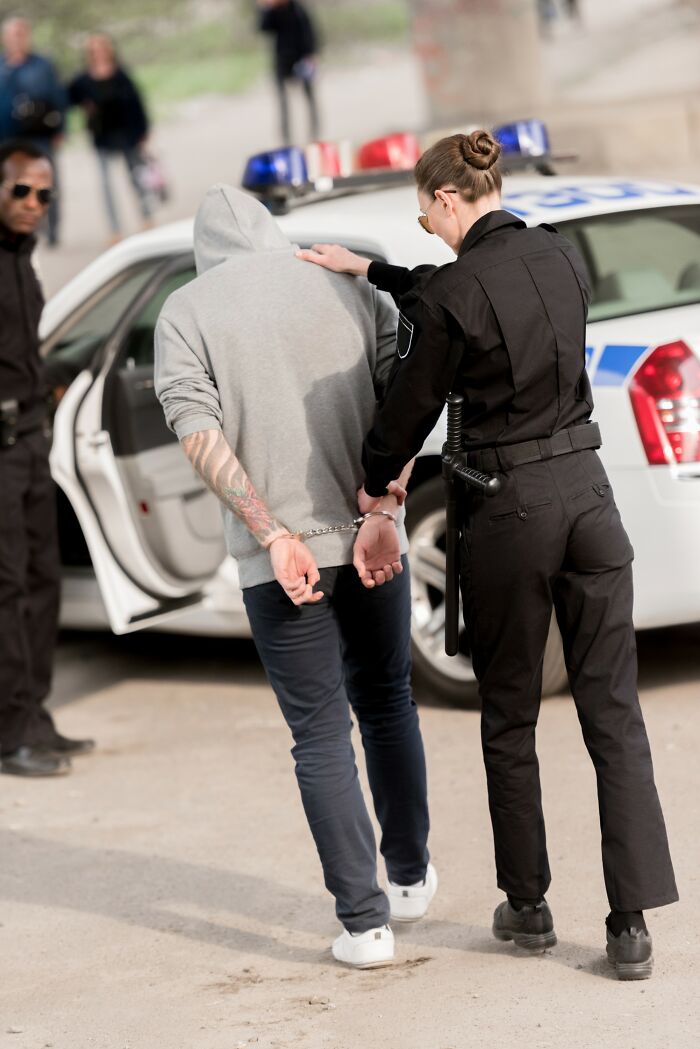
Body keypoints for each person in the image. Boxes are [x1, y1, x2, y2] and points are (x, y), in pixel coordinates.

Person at [298, 129, 678, 980]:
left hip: (511, 514)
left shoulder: (453, 293)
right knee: (613, 714)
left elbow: (407, 407)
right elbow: (461, 289)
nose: (426, 231)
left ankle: (530, 904)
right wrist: (373, 271)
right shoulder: (562, 258)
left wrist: (372, 485)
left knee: (510, 715)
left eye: (423, 215)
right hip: (590, 497)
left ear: (443, 199)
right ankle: (629, 925)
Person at [154, 184, 435, 969]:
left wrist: (272, 532)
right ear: (274, 231)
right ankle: (410, 878)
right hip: (373, 535)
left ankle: (365, 923)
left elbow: (196, 429)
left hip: (280, 560)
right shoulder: (342, 280)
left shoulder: (186, 312)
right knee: (387, 699)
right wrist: (387, 504)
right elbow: (405, 401)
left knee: (319, 732)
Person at [0, 139, 95, 777]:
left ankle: (34, 715)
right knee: (7, 592)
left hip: (32, 442)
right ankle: (11, 735)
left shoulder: (21, 259)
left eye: (45, 195)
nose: (34, 203)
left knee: (42, 584)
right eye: (21, 191)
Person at [68, 33, 153, 243]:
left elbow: (137, 103)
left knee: (136, 178)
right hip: (102, 137)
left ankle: (147, 217)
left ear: (109, 50)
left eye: (102, 47)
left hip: (127, 134)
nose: (98, 52)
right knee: (106, 185)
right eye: (94, 49)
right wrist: (85, 106)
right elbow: (68, 98)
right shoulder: (83, 79)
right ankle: (115, 229)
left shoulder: (121, 74)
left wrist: (143, 131)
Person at [0, 17, 66, 246]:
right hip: (7, 137)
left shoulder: (42, 65)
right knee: (10, 187)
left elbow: (59, 97)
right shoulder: (2, 67)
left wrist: (61, 128)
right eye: (12, 34)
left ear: (27, 36)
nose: (17, 38)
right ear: (4, 38)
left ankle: (52, 230)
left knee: (44, 184)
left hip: (40, 136)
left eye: (21, 33)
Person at [257, 0, 320, 145]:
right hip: (282, 61)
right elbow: (263, 28)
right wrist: (267, 9)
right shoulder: (273, 12)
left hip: (302, 59)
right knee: (283, 103)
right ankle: (286, 139)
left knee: (309, 98)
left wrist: (311, 55)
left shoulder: (298, 9)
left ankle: (314, 134)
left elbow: (309, 33)